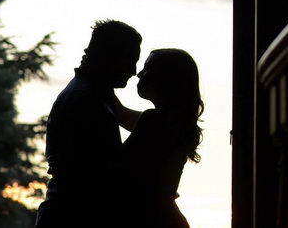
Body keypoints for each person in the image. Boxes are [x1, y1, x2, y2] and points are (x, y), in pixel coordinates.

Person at [35, 19, 142, 228]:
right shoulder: (88, 100)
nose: (134, 70)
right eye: (130, 60)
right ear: (111, 58)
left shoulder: (96, 93)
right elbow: (100, 178)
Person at [116, 48, 204, 228]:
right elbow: (123, 115)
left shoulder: (155, 121)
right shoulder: (174, 123)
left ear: (167, 79)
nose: (139, 74)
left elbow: (115, 170)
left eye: (148, 68)